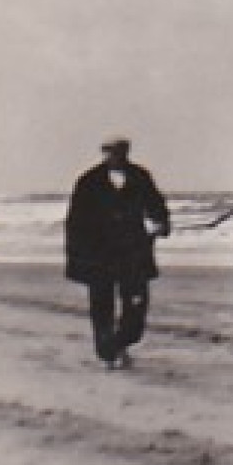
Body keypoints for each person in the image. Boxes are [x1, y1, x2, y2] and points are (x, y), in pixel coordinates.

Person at [65, 136, 171, 370]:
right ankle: (107, 354)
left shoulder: (141, 176)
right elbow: (75, 221)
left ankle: (122, 342)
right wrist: (78, 255)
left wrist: (161, 223)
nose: (117, 155)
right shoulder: (88, 181)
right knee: (102, 306)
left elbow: (156, 205)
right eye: (112, 151)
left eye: (122, 151)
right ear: (104, 152)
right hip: (99, 253)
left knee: (137, 304)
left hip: (134, 251)